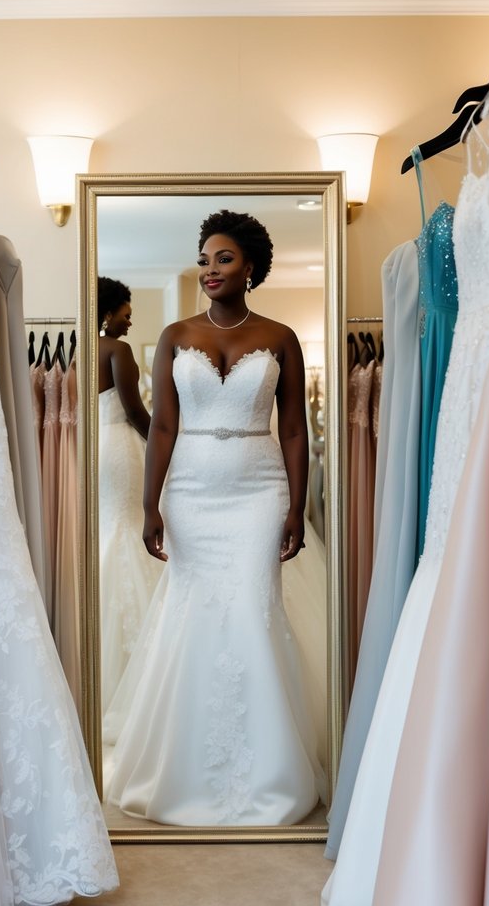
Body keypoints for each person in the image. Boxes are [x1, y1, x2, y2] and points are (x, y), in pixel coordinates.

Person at [106, 210, 326, 826]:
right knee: (193, 615)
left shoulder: (281, 336)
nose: (210, 269)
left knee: (255, 611)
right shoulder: (176, 336)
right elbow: (163, 427)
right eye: (204, 259)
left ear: (250, 267)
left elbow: (293, 431)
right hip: (191, 491)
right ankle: (185, 767)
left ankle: (267, 771)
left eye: (223, 259)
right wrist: (151, 505)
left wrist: (296, 506)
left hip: (260, 491)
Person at [97, 276, 161, 710]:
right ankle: (136, 661)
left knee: (108, 529)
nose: (130, 317)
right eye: (125, 310)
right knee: (125, 527)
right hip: (119, 446)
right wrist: (166, 444)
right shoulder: (117, 351)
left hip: (89, 450)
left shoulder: (77, 347)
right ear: (108, 311)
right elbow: (136, 411)